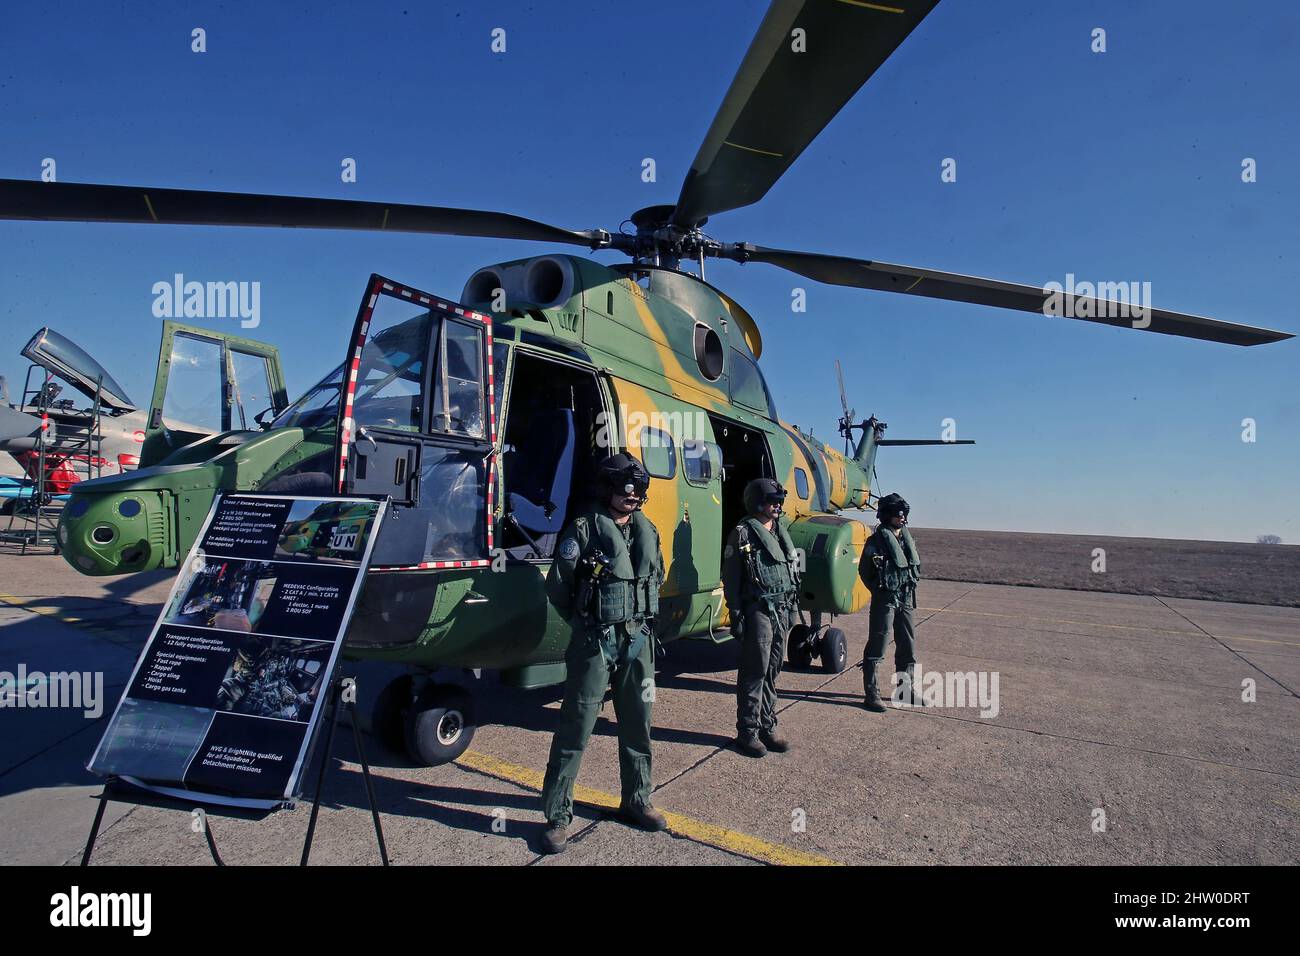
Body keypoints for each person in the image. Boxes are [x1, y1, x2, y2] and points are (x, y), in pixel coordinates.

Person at [538, 452, 667, 854]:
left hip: (639, 640)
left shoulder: (648, 529)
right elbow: (559, 588)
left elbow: (656, 575)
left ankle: (636, 799)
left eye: (638, 491)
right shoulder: (583, 529)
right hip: (596, 640)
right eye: (625, 489)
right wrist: (589, 621)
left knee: (638, 724)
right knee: (576, 725)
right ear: (608, 489)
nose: (632, 497)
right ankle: (557, 815)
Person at [722, 477, 799, 757]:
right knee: (755, 671)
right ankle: (748, 731)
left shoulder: (779, 532)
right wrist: (737, 614)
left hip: (781, 609)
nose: (777, 506)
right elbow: (731, 580)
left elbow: (790, 574)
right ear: (757, 502)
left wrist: (791, 610)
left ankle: (768, 725)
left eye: (779, 501)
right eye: (772, 501)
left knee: (773, 670)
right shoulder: (742, 534)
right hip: (758, 611)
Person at [859, 493, 922, 712]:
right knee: (878, 645)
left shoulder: (906, 538)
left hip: (905, 598)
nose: (903, 518)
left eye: (904, 515)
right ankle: (872, 694)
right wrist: (879, 591)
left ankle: (905, 691)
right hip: (885, 599)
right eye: (898, 515)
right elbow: (865, 572)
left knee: (907, 645)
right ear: (887, 515)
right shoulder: (876, 541)